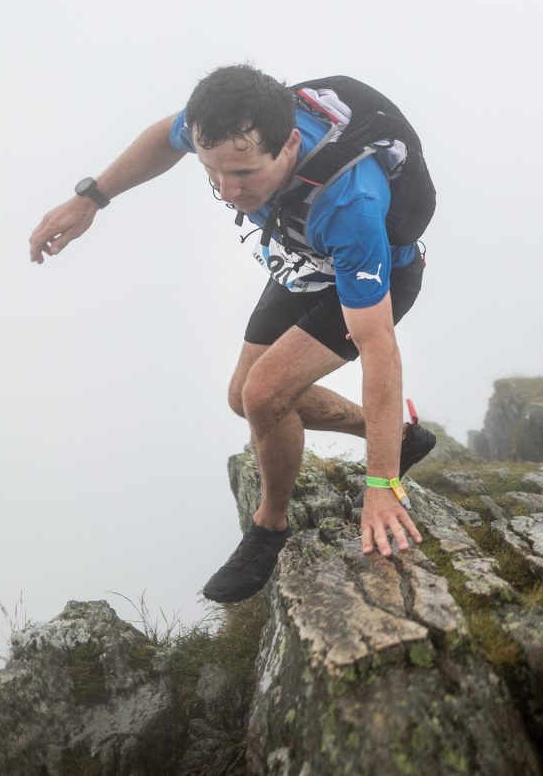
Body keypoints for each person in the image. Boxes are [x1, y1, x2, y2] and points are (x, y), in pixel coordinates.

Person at [27, 65, 436, 603]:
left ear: (290, 143)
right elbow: (163, 137)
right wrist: (92, 197)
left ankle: (270, 527)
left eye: (243, 173)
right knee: (242, 398)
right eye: (213, 172)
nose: (228, 189)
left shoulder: (350, 203)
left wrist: (381, 484)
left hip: (371, 268)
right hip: (305, 257)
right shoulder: (230, 126)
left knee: (264, 395)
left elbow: (378, 348)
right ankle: (403, 438)